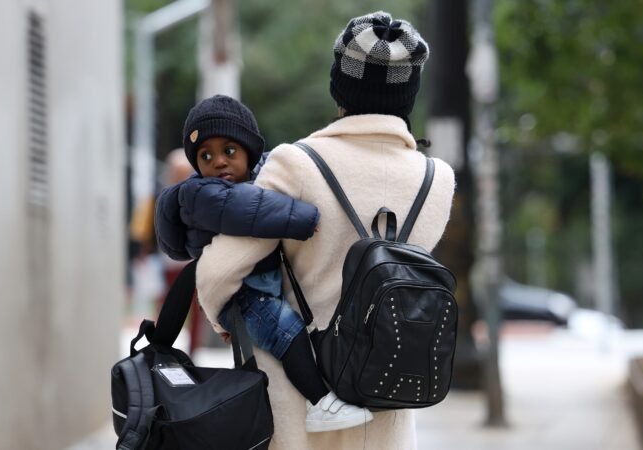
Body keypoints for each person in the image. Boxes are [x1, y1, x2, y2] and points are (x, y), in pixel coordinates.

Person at [193, 11, 456, 449]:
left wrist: (228, 318)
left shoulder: (296, 164)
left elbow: (218, 274)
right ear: (410, 93)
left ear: (340, 87)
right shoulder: (437, 179)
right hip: (388, 407)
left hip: (300, 414)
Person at [154, 94, 374, 432]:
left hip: (254, 287)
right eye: (205, 155)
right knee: (288, 333)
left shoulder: (253, 178)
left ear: (249, 152)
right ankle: (321, 403)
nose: (218, 163)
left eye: (229, 151)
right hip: (246, 295)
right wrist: (302, 218)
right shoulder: (204, 194)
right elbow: (248, 209)